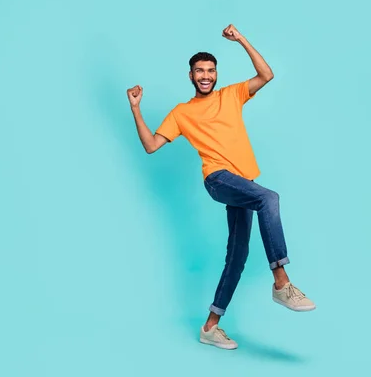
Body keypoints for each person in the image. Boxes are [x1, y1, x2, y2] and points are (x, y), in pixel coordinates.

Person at [126, 24, 315, 350]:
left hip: (243, 182)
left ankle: (210, 327)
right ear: (190, 75)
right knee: (269, 198)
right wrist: (135, 108)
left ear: (216, 74)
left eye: (211, 70)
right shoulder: (182, 113)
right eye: (199, 70)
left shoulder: (231, 95)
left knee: (238, 256)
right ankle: (282, 283)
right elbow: (151, 145)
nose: (205, 75)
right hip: (218, 179)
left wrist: (240, 39)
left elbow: (266, 74)